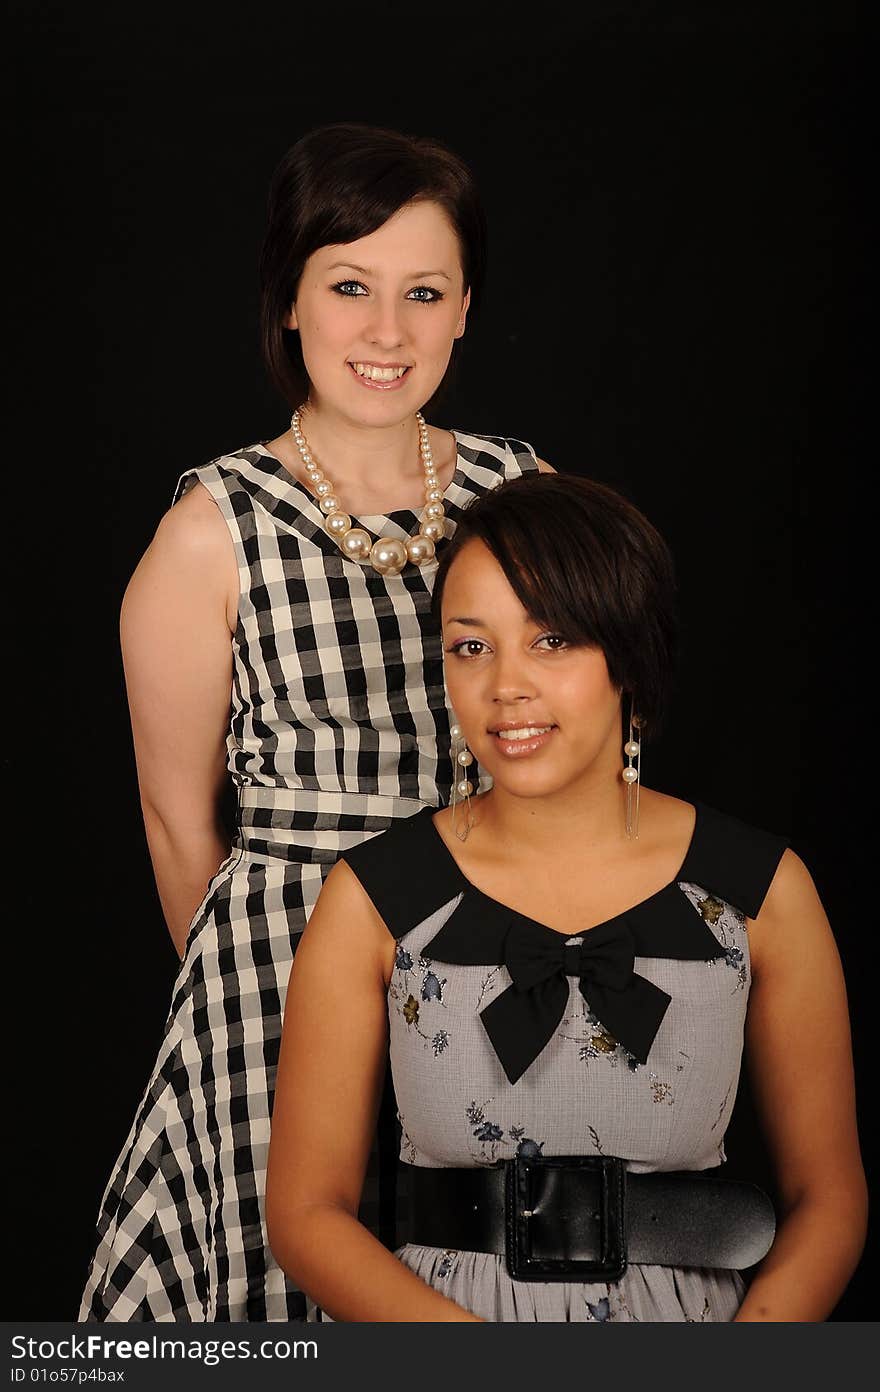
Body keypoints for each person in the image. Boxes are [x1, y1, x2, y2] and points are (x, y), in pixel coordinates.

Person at [78, 123, 552, 1323]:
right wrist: (260, 1013)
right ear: (290, 300)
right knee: (286, 1300)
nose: (384, 332)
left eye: (422, 293)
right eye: (348, 286)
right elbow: (179, 821)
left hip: (506, 948)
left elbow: (600, 734)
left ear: (462, 315)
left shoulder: (528, 494)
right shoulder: (212, 530)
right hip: (283, 974)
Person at [265, 472, 867, 1322]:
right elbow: (304, 1213)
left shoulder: (762, 890)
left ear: (631, 653)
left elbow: (828, 1199)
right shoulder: (373, 897)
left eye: (551, 641)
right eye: (471, 646)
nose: (506, 685)